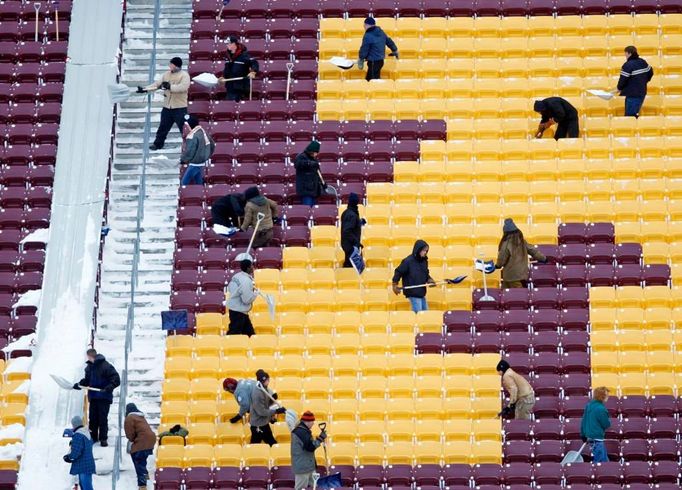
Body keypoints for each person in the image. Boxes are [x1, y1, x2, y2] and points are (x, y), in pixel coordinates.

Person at [137, 57, 190, 151]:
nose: (170, 66)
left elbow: (183, 87)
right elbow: (157, 85)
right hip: (167, 107)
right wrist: (145, 89)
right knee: (163, 127)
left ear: (176, 65)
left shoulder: (184, 75)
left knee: (184, 129)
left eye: (171, 64)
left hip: (180, 108)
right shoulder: (166, 74)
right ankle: (158, 144)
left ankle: (190, 146)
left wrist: (170, 86)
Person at [74, 348, 120, 446]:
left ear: (91, 356)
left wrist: (109, 387)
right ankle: (93, 437)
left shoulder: (106, 366)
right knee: (93, 418)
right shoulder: (89, 368)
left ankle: (103, 439)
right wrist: (79, 384)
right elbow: (87, 381)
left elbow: (116, 379)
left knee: (102, 418)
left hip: (104, 397)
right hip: (94, 397)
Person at [495, 219, 547, 289]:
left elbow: (502, 259)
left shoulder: (506, 244)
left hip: (511, 275)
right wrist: (543, 258)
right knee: (510, 294)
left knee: (516, 296)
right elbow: (533, 251)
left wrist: (497, 265)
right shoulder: (522, 241)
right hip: (522, 274)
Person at [392, 240, 435, 313]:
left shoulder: (424, 261)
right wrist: (394, 284)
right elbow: (398, 271)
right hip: (412, 292)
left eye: (426, 251)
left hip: (421, 292)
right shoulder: (408, 261)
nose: (425, 252)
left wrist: (429, 279)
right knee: (418, 315)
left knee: (426, 314)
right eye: (423, 250)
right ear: (418, 249)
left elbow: (425, 273)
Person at [249, 369, 287, 446]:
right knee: (270, 443)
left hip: (262, 423)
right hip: (259, 425)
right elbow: (261, 411)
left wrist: (272, 398)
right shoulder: (257, 393)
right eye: (266, 380)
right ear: (261, 381)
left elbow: (266, 402)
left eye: (268, 379)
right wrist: (276, 411)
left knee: (256, 443)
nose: (268, 381)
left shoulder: (263, 387)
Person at [291, 411, 327, 490]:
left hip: (308, 466)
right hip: (303, 468)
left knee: (315, 486)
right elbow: (310, 447)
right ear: (307, 422)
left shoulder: (303, 431)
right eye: (312, 421)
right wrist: (320, 439)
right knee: (300, 488)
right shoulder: (301, 432)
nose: (313, 423)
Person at [124, 403, 156, 490]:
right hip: (150, 440)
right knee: (142, 460)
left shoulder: (129, 418)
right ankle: (145, 476)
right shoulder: (140, 417)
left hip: (142, 441)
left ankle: (142, 485)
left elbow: (130, 434)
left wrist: (131, 440)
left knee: (138, 462)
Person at [357, 17, 399, 81]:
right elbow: (388, 41)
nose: (364, 26)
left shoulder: (368, 35)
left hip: (373, 62)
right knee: (369, 79)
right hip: (380, 61)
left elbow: (364, 49)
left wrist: (361, 58)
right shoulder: (381, 32)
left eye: (364, 25)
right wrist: (395, 49)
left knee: (373, 81)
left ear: (368, 25)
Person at [219, 35, 259, 101]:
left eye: (228, 43)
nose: (227, 45)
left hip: (240, 86)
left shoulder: (244, 55)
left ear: (234, 44)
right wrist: (223, 77)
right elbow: (227, 69)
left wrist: (253, 72)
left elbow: (254, 63)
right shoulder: (228, 56)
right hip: (230, 86)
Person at [617, 45, 654, 117]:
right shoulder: (642, 62)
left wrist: (619, 88)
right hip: (642, 92)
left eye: (626, 54)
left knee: (630, 116)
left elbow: (622, 80)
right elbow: (651, 72)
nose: (625, 56)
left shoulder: (627, 65)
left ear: (629, 53)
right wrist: (644, 82)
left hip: (632, 94)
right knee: (635, 113)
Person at [180, 114, 215, 185]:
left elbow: (190, 151)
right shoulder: (203, 132)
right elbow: (212, 145)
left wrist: (183, 160)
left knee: (184, 182)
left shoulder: (192, 136)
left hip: (195, 163)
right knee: (199, 182)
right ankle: (201, 193)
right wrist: (207, 156)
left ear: (190, 125)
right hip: (202, 161)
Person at [63, 415, 96, 490]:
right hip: (88, 465)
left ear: (75, 425)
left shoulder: (78, 435)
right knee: (86, 486)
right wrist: (73, 442)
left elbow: (76, 452)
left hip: (82, 466)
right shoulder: (86, 433)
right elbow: (86, 445)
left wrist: (68, 457)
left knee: (86, 487)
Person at [226, 260, 258, 336]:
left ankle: (251, 346)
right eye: (251, 266)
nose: (253, 267)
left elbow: (230, 288)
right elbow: (246, 300)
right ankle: (228, 346)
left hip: (235, 310)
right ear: (248, 268)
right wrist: (255, 294)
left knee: (250, 334)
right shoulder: (246, 281)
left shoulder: (236, 276)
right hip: (239, 312)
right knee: (233, 334)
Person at [580, 386, 611, 463]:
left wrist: (583, 435)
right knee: (600, 463)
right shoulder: (601, 409)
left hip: (590, 437)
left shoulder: (589, 406)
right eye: (606, 395)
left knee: (605, 461)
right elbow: (606, 424)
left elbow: (583, 421)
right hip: (597, 438)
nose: (608, 396)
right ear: (602, 396)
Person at [294, 141, 322, 207]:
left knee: (313, 212)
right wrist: (309, 163)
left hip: (314, 190)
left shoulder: (314, 159)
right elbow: (297, 164)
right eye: (316, 152)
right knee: (307, 210)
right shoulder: (301, 156)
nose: (317, 154)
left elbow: (318, 173)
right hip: (306, 190)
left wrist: (323, 184)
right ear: (312, 151)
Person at [340, 192, 364, 268]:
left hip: (348, 244)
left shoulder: (347, 212)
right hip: (350, 246)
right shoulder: (352, 214)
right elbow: (347, 230)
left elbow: (350, 225)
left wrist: (360, 222)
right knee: (351, 267)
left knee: (350, 265)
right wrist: (356, 242)